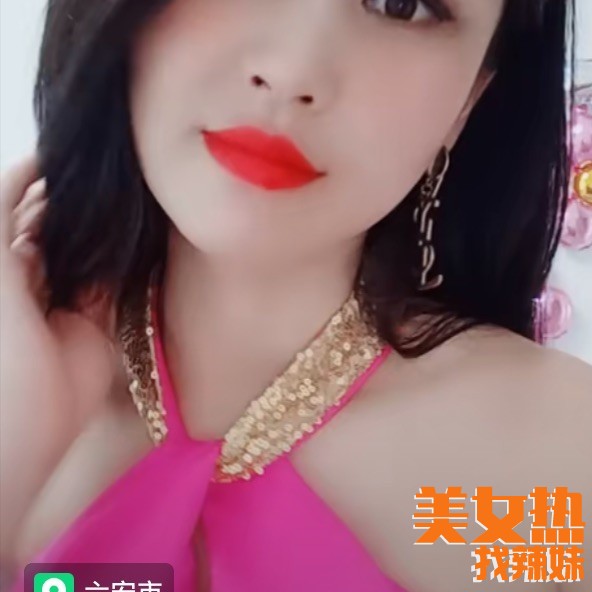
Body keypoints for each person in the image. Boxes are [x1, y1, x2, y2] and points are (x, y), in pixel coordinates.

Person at [1, 0, 591, 590]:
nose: (289, 72)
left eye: (400, 5)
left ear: (468, 100)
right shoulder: (24, 397)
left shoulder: (561, 469)